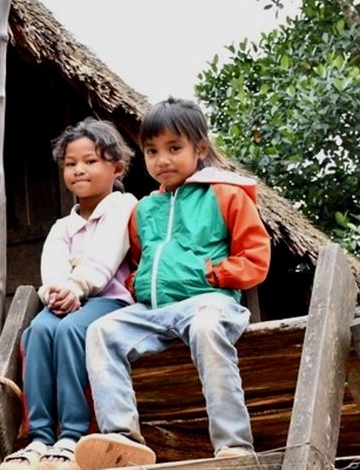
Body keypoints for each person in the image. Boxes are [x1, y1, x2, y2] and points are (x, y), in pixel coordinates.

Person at [75, 97, 271, 469]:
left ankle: (233, 444)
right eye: (152, 151)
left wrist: (214, 275)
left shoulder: (226, 194)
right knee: (101, 331)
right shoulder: (144, 209)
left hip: (209, 302)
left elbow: (255, 256)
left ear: (200, 148)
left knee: (207, 327)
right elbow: (139, 260)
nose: (162, 160)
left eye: (174, 148)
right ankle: (121, 437)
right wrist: (139, 284)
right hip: (154, 310)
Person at [0, 118, 138, 470]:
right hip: (69, 301)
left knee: (72, 331)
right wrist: (57, 292)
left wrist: (77, 288)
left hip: (110, 301)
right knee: (38, 331)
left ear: (117, 168)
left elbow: (106, 257)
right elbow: (53, 268)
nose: (79, 170)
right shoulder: (63, 226)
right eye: (70, 163)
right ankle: (39, 437)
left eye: (90, 161)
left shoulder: (123, 206)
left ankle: (74, 434)